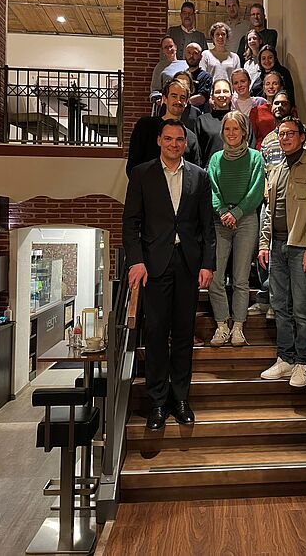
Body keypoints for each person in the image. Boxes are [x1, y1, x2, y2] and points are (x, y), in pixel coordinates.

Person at [123, 118, 216, 429]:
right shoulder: (141, 174)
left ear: (185, 144)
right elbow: (130, 223)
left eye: (179, 140)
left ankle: (180, 399)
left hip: (188, 264)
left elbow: (207, 226)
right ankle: (158, 403)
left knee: (184, 335)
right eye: (169, 139)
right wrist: (136, 261)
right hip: (154, 265)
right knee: (156, 334)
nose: (174, 144)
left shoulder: (200, 176)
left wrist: (207, 264)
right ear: (159, 141)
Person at [258, 117, 306, 388]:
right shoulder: (275, 170)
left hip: (302, 247)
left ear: (302, 137)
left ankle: (303, 362)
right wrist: (263, 243)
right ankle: (285, 358)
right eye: (281, 134)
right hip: (276, 247)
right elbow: (269, 212)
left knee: (301, 306)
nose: (285, 138)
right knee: (280, 305)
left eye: (291, 133)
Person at [248, 91, 306, 318]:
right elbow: (263, 168)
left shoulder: (302, 132)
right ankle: (266, 297)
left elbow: (305, 163)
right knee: (264, 248)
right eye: (276, 103)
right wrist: (266, 186)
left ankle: (281, 302)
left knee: (290, 252)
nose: (279, 106)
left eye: (283, 103)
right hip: (271, 200)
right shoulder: (268, 139)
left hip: (296, 201)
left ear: (291, 107)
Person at [207, 111, 265, 347]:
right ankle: (222, 325)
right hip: (220, 221)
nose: (231, 133)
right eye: (227, 129)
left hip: (246, 220)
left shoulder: (255, 157)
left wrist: (237, 213)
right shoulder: (215, 159)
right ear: (223, 132)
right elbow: (211, 189)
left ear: (244, 132)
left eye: (236, 129)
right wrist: (223, 212)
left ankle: (238, 327)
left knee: (241, 279)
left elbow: (256, 190)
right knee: (215, 278)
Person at [126, 80, 201, 176]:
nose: (178, 101)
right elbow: (133, 167)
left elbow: (194, 174)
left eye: (182, 97)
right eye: (174, 96)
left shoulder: (191, 137)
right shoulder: (145, 126)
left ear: (186, 102)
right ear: (164, 99)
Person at [195, 78, 256, 168]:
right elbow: (198, 154)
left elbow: (251, 148)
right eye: (218, 92)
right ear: (212, 96)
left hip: (240, 169)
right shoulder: (202, 121)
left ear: (231, 95)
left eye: (225, 91)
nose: (222, 95)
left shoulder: (243, 119)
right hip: (211, 171)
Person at [231, 68, 275, 149]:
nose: (240, 85)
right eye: (236, 83)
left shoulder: (261, 102)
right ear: (233, 86)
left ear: (249, 82)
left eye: (243, 81)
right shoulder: (231, 104)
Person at [184, 42, 212, 111]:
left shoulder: (206, 76)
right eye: (189, 53)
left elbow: (201, 99)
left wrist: (183, 103)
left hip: (197, 114)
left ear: (200, 57)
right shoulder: (181, 76)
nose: (191, 56)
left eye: (195, 53)